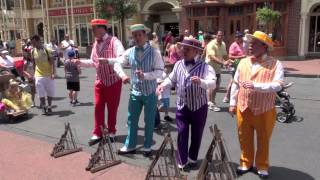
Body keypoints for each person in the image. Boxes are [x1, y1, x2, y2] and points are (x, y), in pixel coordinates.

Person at [229, 31, 284, 179]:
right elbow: (235, 83)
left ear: (264, 46)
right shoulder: (243, 62)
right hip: (243, 107)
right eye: (249, 43)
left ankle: (262, 165)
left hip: (264, 109)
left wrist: (256, 86)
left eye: (254, 43)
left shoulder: (276, 64)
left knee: (263, 138)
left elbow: (278, 85)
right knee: (244, 137)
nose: (249, 46)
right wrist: (232, 103)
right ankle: (246, 162)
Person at [157, 37, 216, 169]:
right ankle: (182, 160)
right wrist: (163, 85)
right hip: (182, 106)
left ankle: (192, 158)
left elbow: (212, 82)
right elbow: (171, 79)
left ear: (196, 51)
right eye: (183, 48)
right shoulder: (178, 64)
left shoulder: (205, 67)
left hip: (199, 106)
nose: (183, 51)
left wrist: (201, 82)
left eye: (187, 49)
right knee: (182, 132)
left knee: (197, 134)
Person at [108, 24, 164, 157]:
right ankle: (130, 145)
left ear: (145, 36)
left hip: (150, 92)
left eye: (140, 35)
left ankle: (147, 146)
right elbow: (117, 63)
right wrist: (123, 75)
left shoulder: (154, 52)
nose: (137, 38)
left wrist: (145, 75)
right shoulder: (130, 51)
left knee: (149, 121)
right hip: (135, 91)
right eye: (135, 35)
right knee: (131, 120)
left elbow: (160, 71)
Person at [74, 19, 125, 146]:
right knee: (98, 107)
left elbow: (122, 59)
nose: (92, 31)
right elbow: (93, 62)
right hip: (100, 80)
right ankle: (98, 132)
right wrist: (80, 62)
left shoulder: (115, 42)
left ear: (102, 28)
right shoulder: (95, 44)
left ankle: (112, 132)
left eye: (94, 29)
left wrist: (108, 61)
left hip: (113, 80)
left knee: (112, 108)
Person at [205, 31, 231, 112]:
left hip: (217, 68)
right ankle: (211, 103)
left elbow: (225, 55)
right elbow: (212, 57)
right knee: (213, 85)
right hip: (210, 68)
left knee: (216, 85)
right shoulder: (211, 44)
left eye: (222, 35)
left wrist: (229, 61)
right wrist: (223, 63)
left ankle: (210, 102)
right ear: (216, 36)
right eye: (219, 35)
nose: (220, 37)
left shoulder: (223, 44)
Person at [30, 35, 55, 115]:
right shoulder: (32, 51)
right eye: (32, 43)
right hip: (39, 74)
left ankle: (50, 106)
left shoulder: (48, 50)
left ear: (38, 41)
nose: (33, 44)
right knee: (40, 92)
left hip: (48, 74)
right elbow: (34, 63)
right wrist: (34, 74)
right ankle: (44, 107)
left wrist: (53, 73)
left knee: (50, 92)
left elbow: (52, 63)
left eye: (34, 42)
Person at [223, 31, 246, 103]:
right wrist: (241, 56)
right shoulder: (233, 45)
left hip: (243, 64)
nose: (239, 38)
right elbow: (230, 56)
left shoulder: (243, 43)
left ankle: (239, 96)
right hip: (235, 64)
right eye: (237, 37)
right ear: (235, 38)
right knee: (233, 80)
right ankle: (226, 96)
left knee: (242, 80)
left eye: (240, 37)